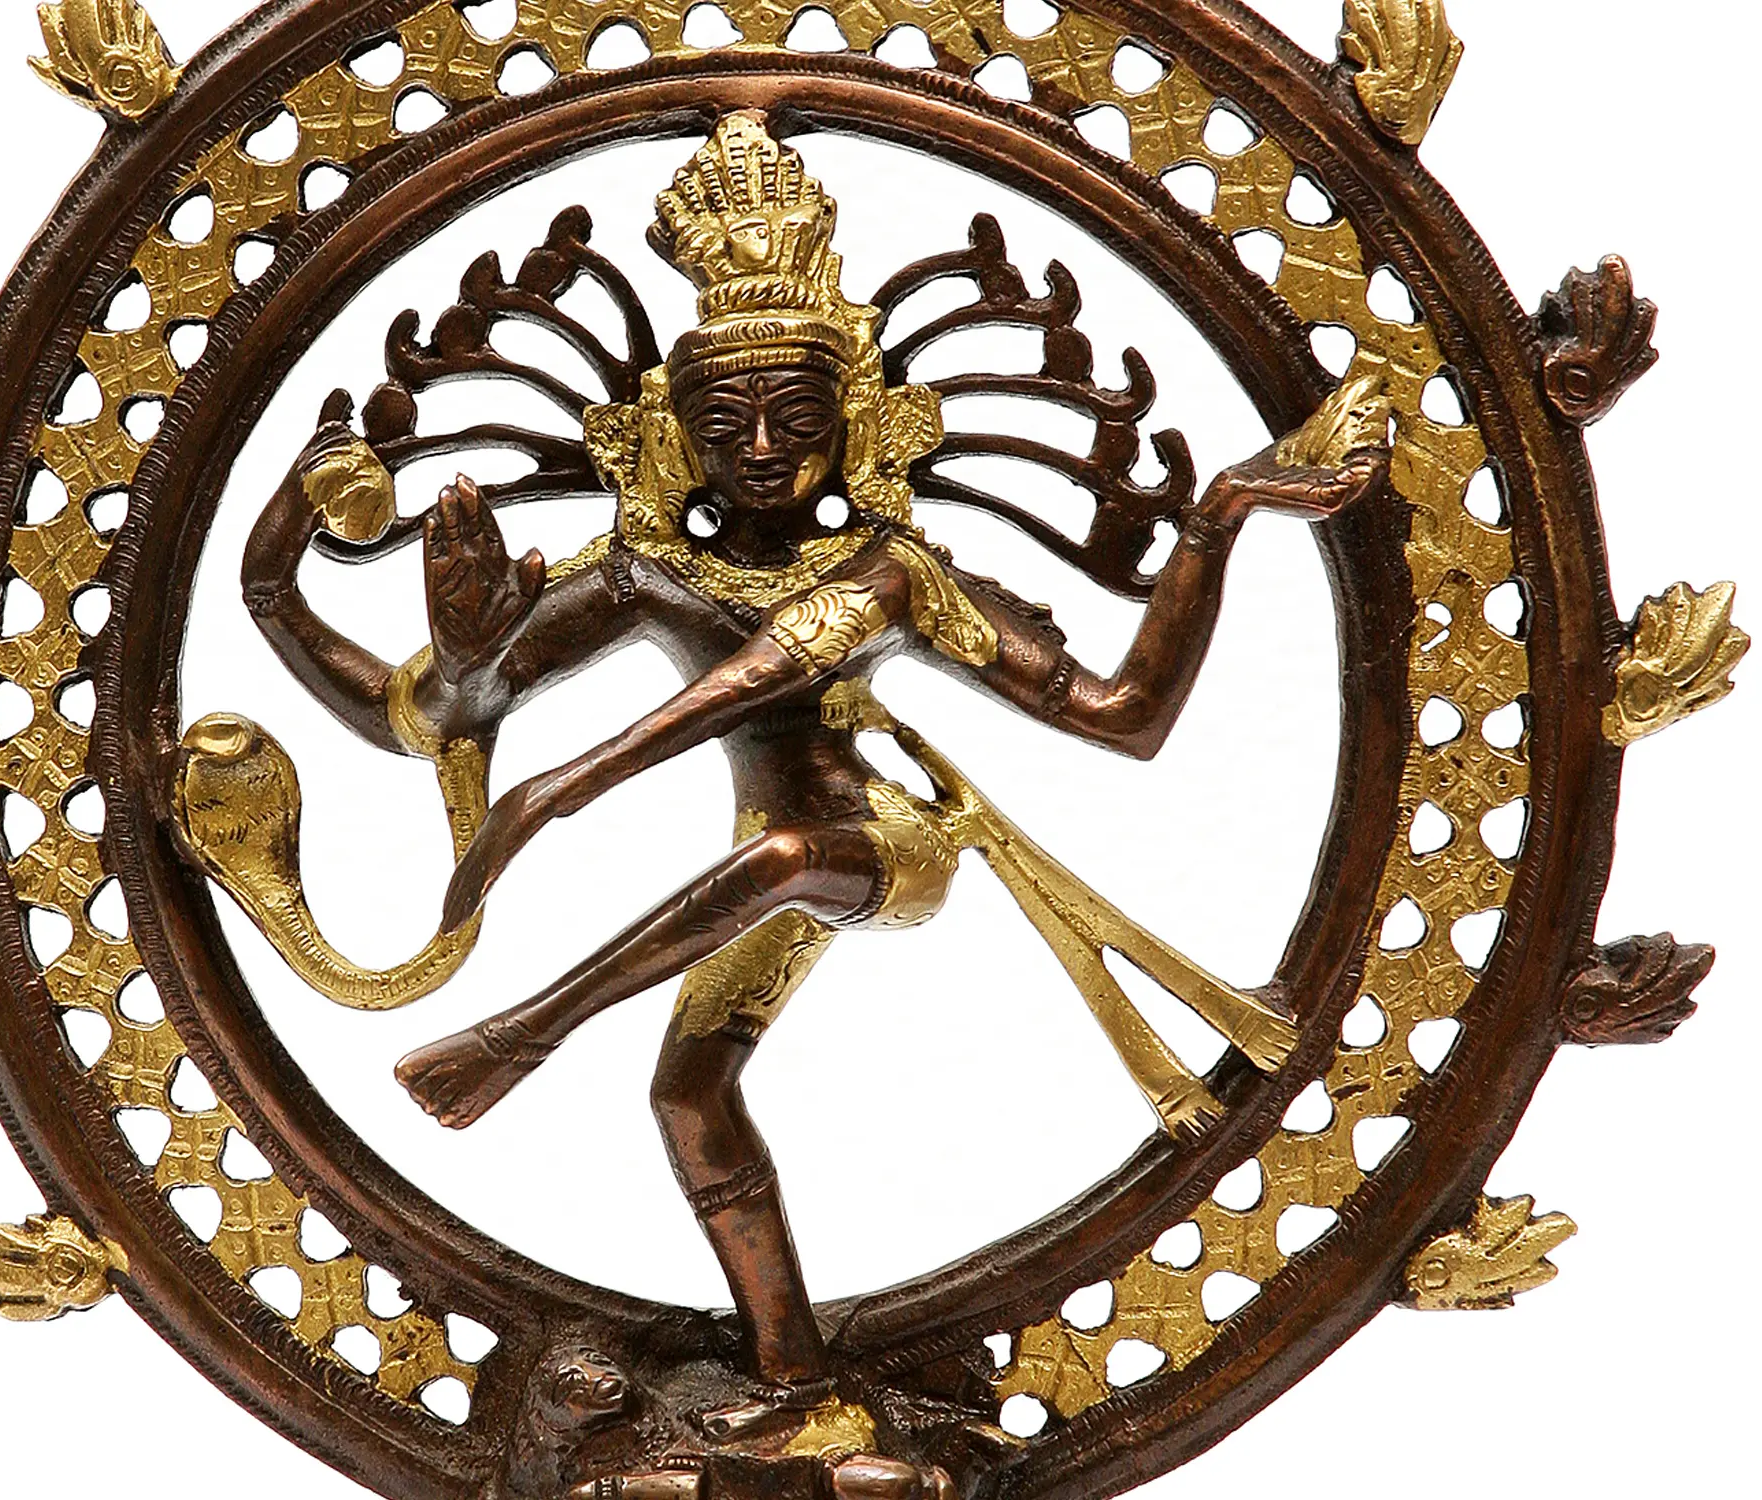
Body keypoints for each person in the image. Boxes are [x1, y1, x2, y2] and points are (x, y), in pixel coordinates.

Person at [239, 113, 1387, 1439]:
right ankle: (793, 1377)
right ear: (677, 436)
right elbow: (419, 720)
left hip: (880, 846)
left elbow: (1125, 715)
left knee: (784, 859)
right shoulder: (647, 576)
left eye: (797, 415)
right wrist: (314, 587)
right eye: (725, 421)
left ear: (856, 426)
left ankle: (526, 1035)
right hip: (764, 874)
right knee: (689, 1095)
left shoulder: (893, 574)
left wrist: (1219, 517)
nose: (763, 447)